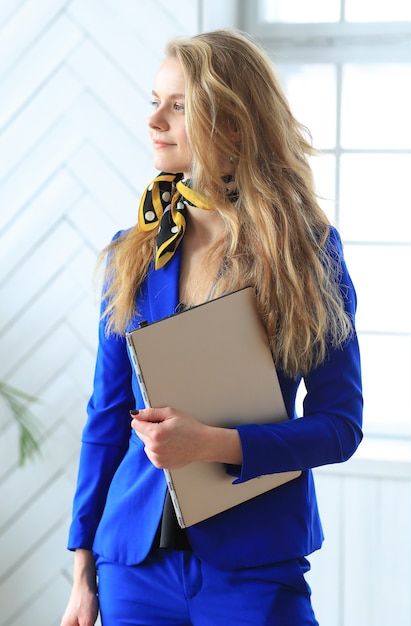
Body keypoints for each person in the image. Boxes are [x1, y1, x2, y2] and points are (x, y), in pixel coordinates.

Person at [61, 29, 363, 626]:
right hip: (133, 567)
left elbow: (339, 426)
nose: (155, 121)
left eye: (179, 106)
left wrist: (216, 445)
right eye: (154, 102)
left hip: (255, 567)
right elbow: (105, 420)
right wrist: (82, 569)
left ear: (232, 126)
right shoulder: (133, 254)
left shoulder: (308, 254)